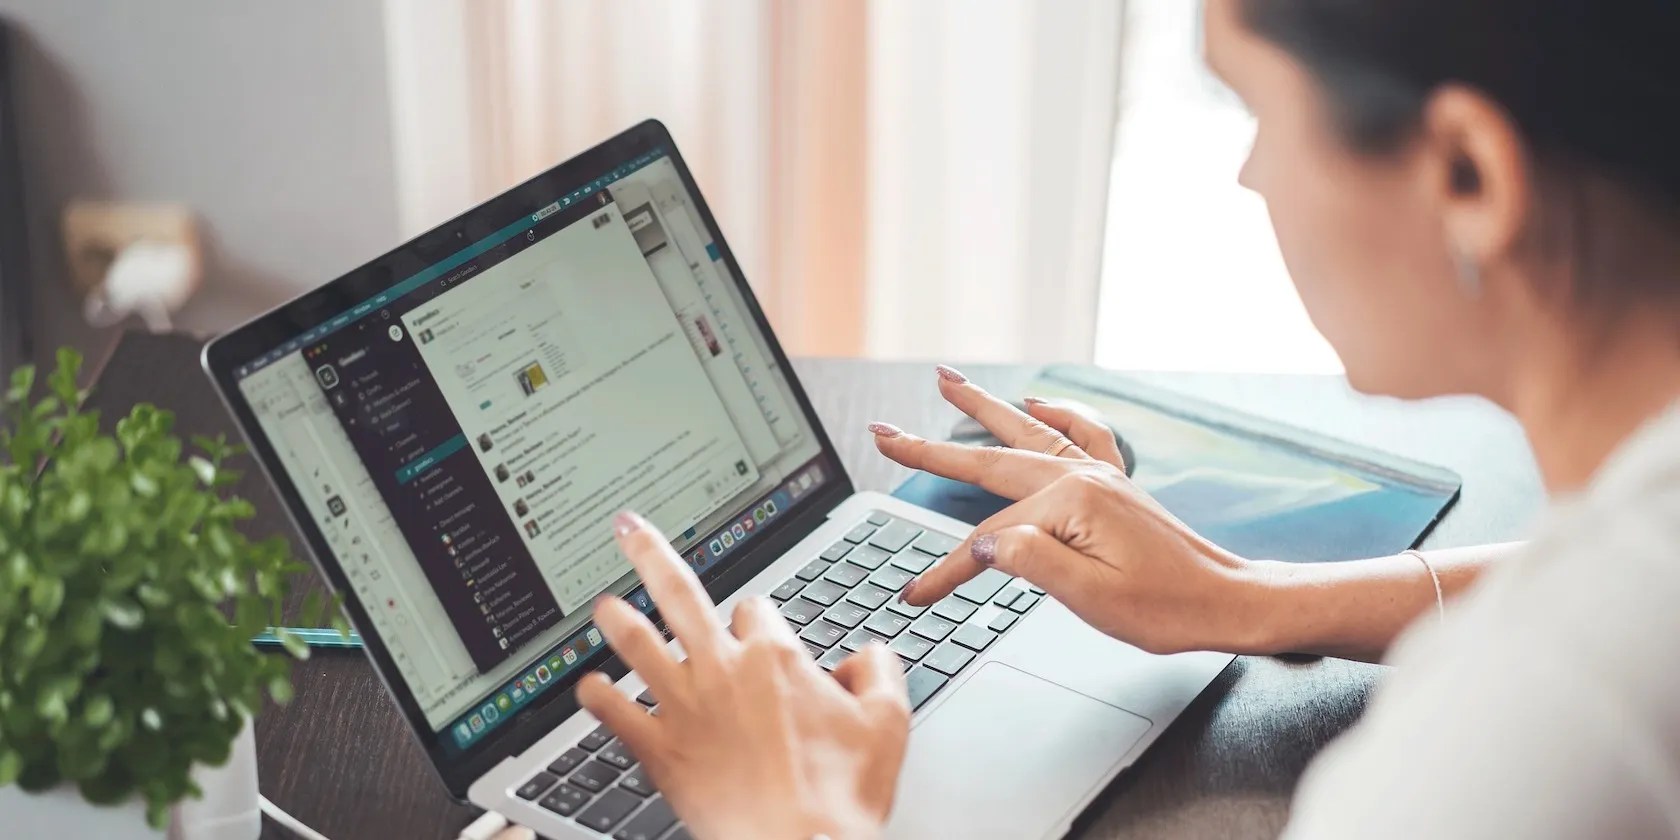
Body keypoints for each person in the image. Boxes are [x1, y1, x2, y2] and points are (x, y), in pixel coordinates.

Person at [569, 1, 1680, 837]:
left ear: (1470, 174)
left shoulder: (1508, 752)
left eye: (1257, 111)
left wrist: (798, 827)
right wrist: (1249, 597)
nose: (1249, 176)